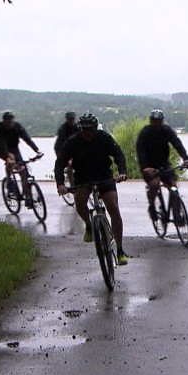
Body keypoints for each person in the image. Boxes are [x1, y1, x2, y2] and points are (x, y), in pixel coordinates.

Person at [54, 113, 130, 265]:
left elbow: (118, 154)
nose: (87, 133)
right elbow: (60, 162)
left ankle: (120, 249)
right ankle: (89, 225)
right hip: (83, 177)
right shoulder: (73, 141)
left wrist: (122, 171)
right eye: (84, 129)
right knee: (80, 202)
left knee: (113, 208)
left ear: (95, 128)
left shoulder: (104, 138)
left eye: (91, 129)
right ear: (80, 129)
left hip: (104, 176)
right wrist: (60, 183)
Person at [135, 109, 188, 222]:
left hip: (164, 164)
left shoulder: (166, 130)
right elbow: (140, 151)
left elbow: (177, 143)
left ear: (162, 121)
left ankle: (177, 213)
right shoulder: (145, 133)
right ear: (151, 121)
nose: (156, 124)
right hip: (149, 166)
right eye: (154, 121)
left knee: (174, 187)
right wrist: (145, 167)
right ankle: (152, 206)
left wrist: (185, 158)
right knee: (154, 185)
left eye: (159, 121)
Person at [0, 111, 42, 205]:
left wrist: (36, 150)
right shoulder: (0, 128)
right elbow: (1, 143)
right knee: (10, 162)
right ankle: (9, 181)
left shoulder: (17, 127)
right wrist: (7, 155)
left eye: (10, 122)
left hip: (14, 149)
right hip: (0, 149)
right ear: (4, 122)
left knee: (23, 169)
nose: (9, 125)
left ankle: (27, 196)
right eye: (7, 123)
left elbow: (26, 138)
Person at [54, 111, 79, 186]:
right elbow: (63, 145)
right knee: (69, 165)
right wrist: (69, 158)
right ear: (67, 120)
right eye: (70, 119)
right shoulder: (62, 129)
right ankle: (73, 185)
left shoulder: (78, 127)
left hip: (73, 148)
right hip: (61, 149)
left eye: (73, 119)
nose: (72, 121)